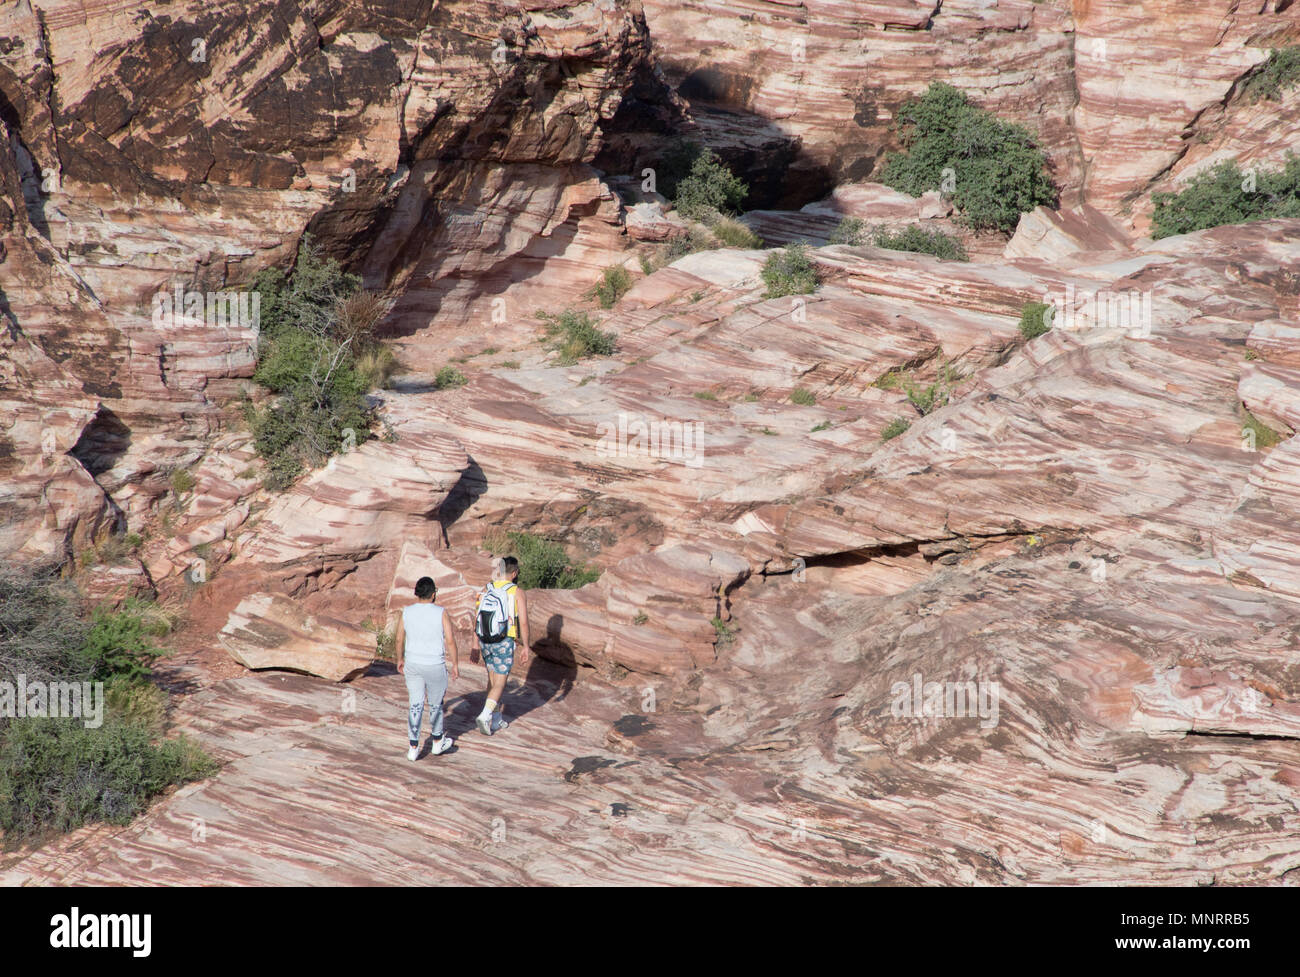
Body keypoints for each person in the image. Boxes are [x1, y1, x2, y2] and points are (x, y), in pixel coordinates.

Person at [395, 576, 460, 761]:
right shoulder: (440, 612)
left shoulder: (406, 612)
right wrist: (455, 664)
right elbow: (450, 640)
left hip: (413, 663)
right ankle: (438, 741)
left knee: (415, 704)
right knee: (435, 704)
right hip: (434, 664)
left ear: (417, 593)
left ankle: (413, 747)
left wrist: (400, 658)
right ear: (433, 594)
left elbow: (399, 638)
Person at [472, 556, 531, 737]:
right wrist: (526, 646)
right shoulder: (516, 592)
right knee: (500, 682)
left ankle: (496, 718)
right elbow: (524, 622)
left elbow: (477, 616)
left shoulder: (487, 588)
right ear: (514, 573)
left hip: (485, 639)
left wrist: (475, 644)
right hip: (504, 641)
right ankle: (485, 715)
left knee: (492, 679)